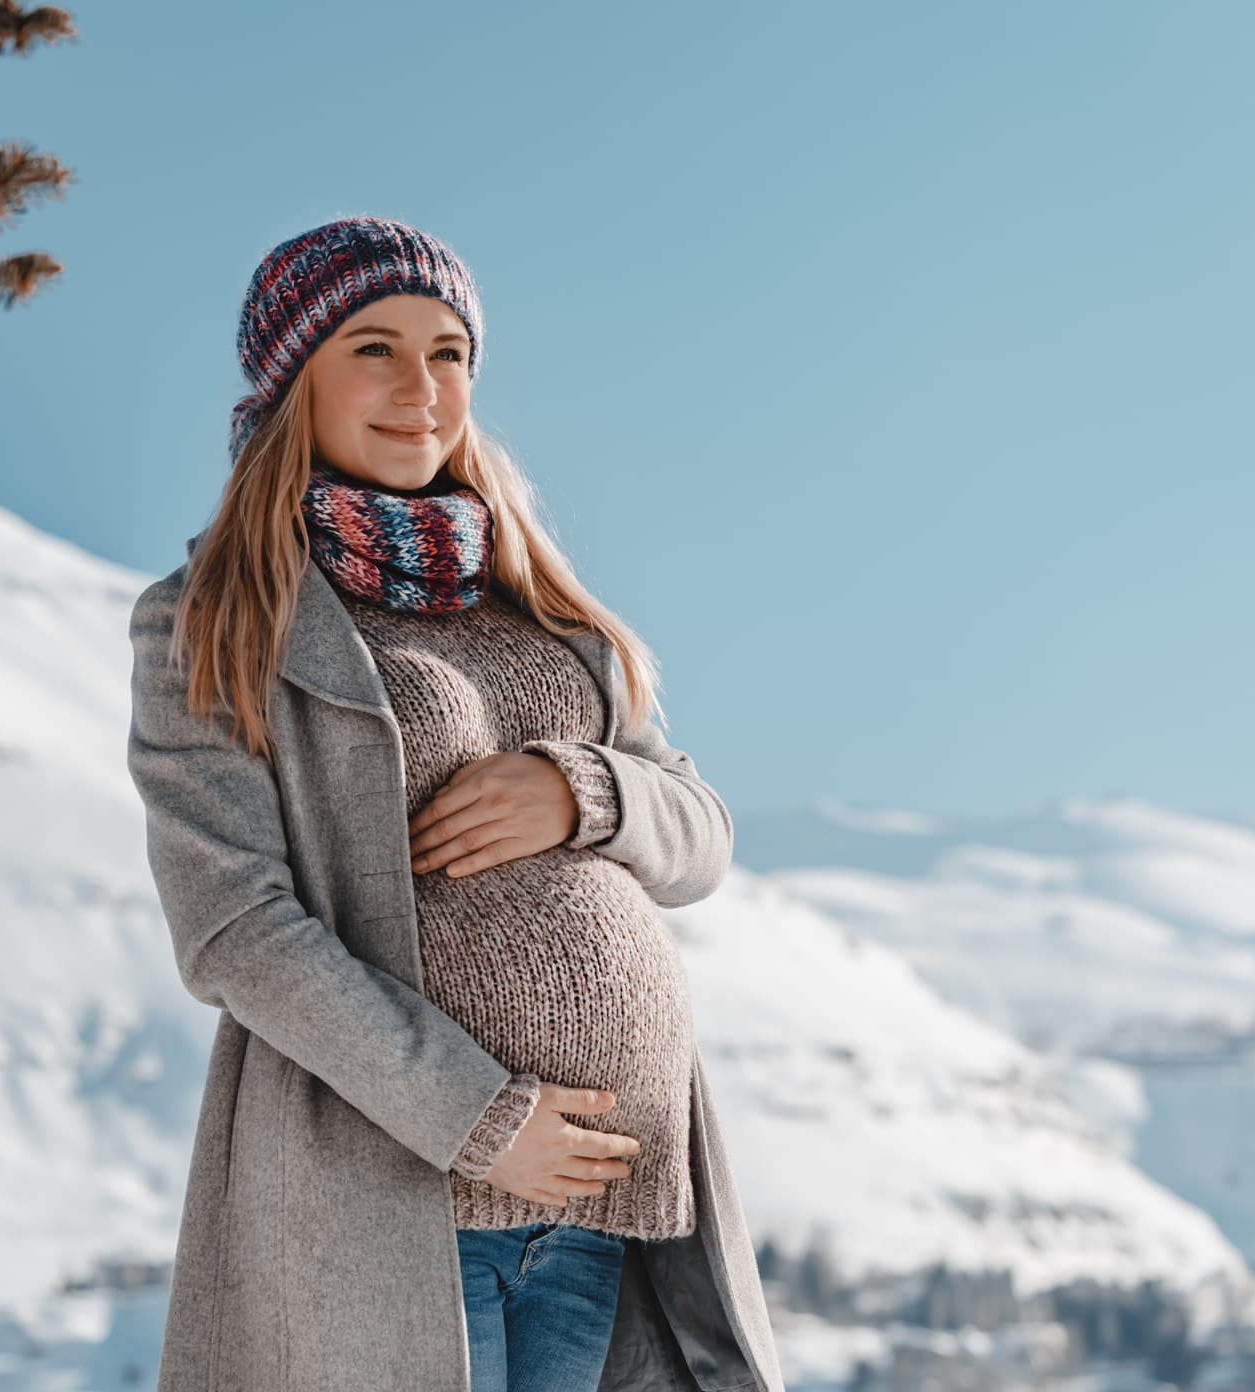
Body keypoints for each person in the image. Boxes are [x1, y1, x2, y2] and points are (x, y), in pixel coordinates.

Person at [126, 214, 785, 1391]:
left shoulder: (539, 604)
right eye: (372, 349)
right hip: (396, 1195)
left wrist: (582, 790)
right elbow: (233, 927)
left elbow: (699, 838)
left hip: (600, 1204)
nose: (418, 388)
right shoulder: (218, 618)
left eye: (448, 354)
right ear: (294, 381)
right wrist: (476, 1118)